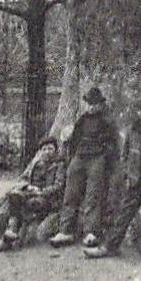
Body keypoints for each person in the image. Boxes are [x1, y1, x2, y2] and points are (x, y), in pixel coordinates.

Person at [84, 100, 141, 261]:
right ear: (137, 112)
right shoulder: (132, 129)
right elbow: (124, 154)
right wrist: (127, 172)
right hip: (136, 178)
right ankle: (110, 246)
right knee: (125, 213)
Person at [49, 87, 118, 248]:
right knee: (70, 193)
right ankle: (65, 230)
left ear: (100, 105)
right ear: (85, 104)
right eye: (89, 104)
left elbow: (112, 143)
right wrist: (73, 154)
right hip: (79, 157)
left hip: (97, 158)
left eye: (95, 104)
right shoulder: (82, 119)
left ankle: (91, 232)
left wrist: (103, 155)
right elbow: (74, 139)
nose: (92, 107)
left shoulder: (106, 121)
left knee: (93, 195)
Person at [0, 137, 65, 251]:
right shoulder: (36, 164)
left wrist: (41, 191)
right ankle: (11, 230)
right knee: (15, 196)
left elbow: (59, 185)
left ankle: (15, 239)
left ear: (56, 150)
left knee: (31, 204)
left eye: (50, 149)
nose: (47, 152)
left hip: (48, 198)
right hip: (31, 193)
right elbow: (24, 178)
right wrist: (28, 187)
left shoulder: (59, 165)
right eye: (44, 149)